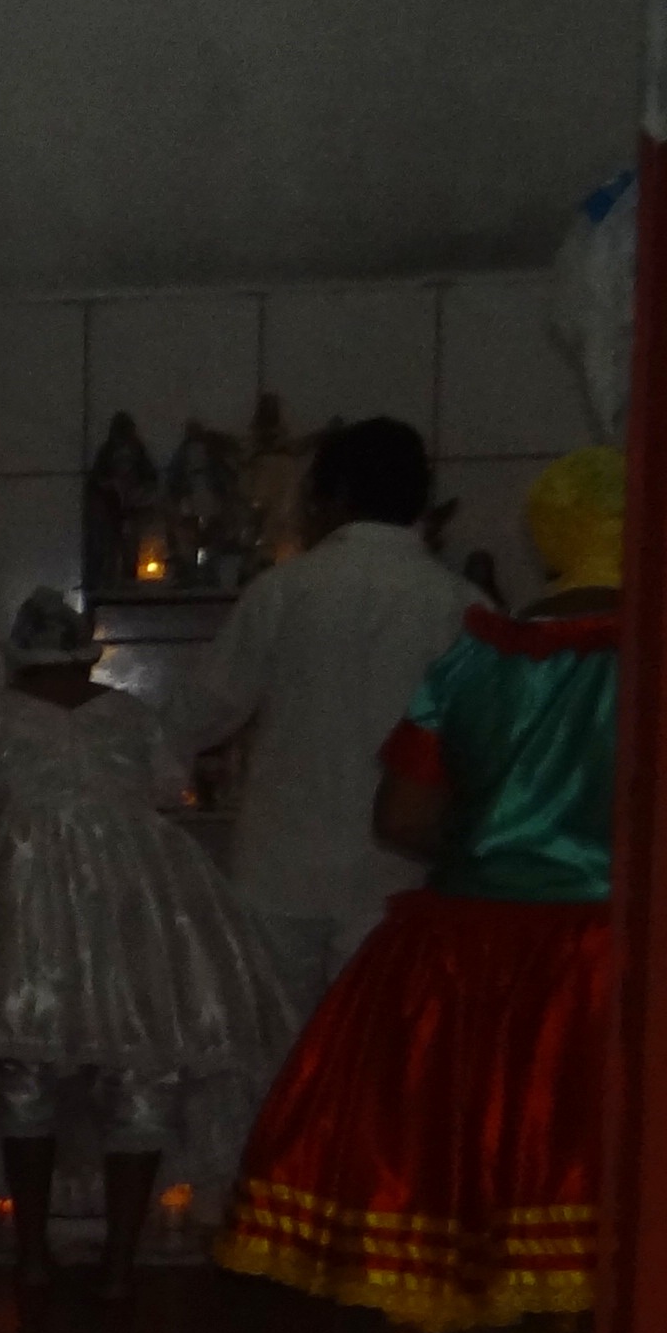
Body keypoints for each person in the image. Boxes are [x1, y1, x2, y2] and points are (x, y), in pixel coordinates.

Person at [216, 449, 631, 1333]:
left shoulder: (483, 656)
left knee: (471, 1200)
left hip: (472, 955)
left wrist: (496, 841)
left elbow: (403, 815)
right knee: (612, 1197)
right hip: (613, 959)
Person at [0, 589, 293, 1322]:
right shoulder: (128, 714)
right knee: (141, 1069)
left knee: (24, 1073)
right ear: (85, 653)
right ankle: (118, 1264)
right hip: (135, 897)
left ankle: (31, 1254)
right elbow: (168, 788)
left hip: (22, 895)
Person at [166, 416, 483, 1027]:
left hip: (278, 869)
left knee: (274, 1054)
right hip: (398, 876)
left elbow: (202, 709)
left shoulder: (284, 591)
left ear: (330, 497)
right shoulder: (462, 605)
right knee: (375, 1052)